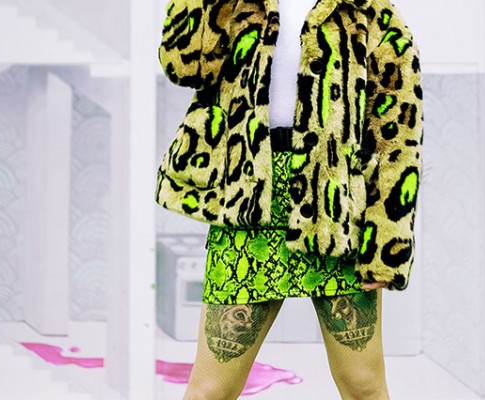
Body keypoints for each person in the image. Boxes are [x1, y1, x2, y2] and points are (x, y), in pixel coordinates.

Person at [155, 0, 422, 398]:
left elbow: (398, 131)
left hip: (334, 209)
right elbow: (183, 67)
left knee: (363, 384)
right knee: (210, 389)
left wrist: (386, 244)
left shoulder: (365, 9)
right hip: (249, 203)